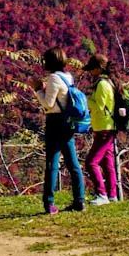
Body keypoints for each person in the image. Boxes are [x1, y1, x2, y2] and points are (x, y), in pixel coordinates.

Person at [29, 47, 85, 214]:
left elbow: (48, 104)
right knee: (73, 163)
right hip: (67, 123)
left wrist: (38, 89)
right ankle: (79, 200)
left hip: (55, 122)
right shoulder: (68, 77)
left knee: (52, 163)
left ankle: (49, 203)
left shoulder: (53, 78)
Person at [83, 53, 118, 205]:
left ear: (98, 69)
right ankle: (112, 195)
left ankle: (101, 194)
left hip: (104, 128)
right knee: (107, 163)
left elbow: (99, 106)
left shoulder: (103, 84)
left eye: (92, 69)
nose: (90, 72)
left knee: (91, 162)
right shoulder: (109, 83)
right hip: (106, 127)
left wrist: (86, 100)